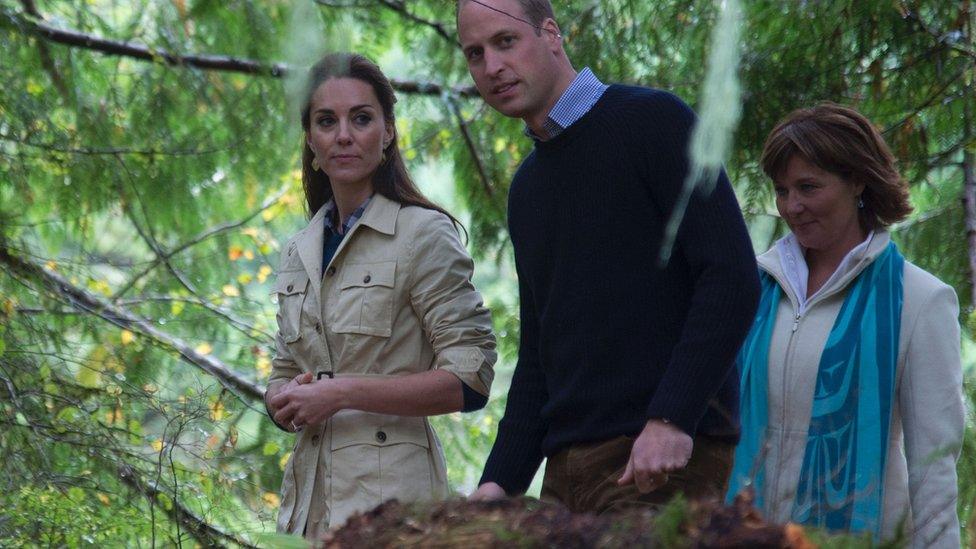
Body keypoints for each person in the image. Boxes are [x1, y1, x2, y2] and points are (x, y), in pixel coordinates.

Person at [457, 0, 760, 512]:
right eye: (474, 53)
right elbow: (540, 354)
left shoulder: (653, 122)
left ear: (551, 34)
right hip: (565, 474)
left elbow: (730, 278)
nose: (491, 67)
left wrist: (672, 418)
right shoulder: (527, 189)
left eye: (505, 42)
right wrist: (498, 483)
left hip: (655, 466)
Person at [263, 52, 497, 538]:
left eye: (361, 118)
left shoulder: (423, 234)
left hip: (396, 508)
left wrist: (341, 392)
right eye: (326, 121)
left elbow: (470, 379)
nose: (343, 135)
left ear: (388, 132)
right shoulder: (298, 249)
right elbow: (285, 370)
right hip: (307, 508)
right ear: (310, 138)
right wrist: (281, 399)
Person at [726, 103, 964, 547]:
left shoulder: (919, 300)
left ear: (857, 180)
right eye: (781, 190)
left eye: (808, 187)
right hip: (746, 535)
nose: (792, 207)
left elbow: (934, 470)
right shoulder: (755, 287)